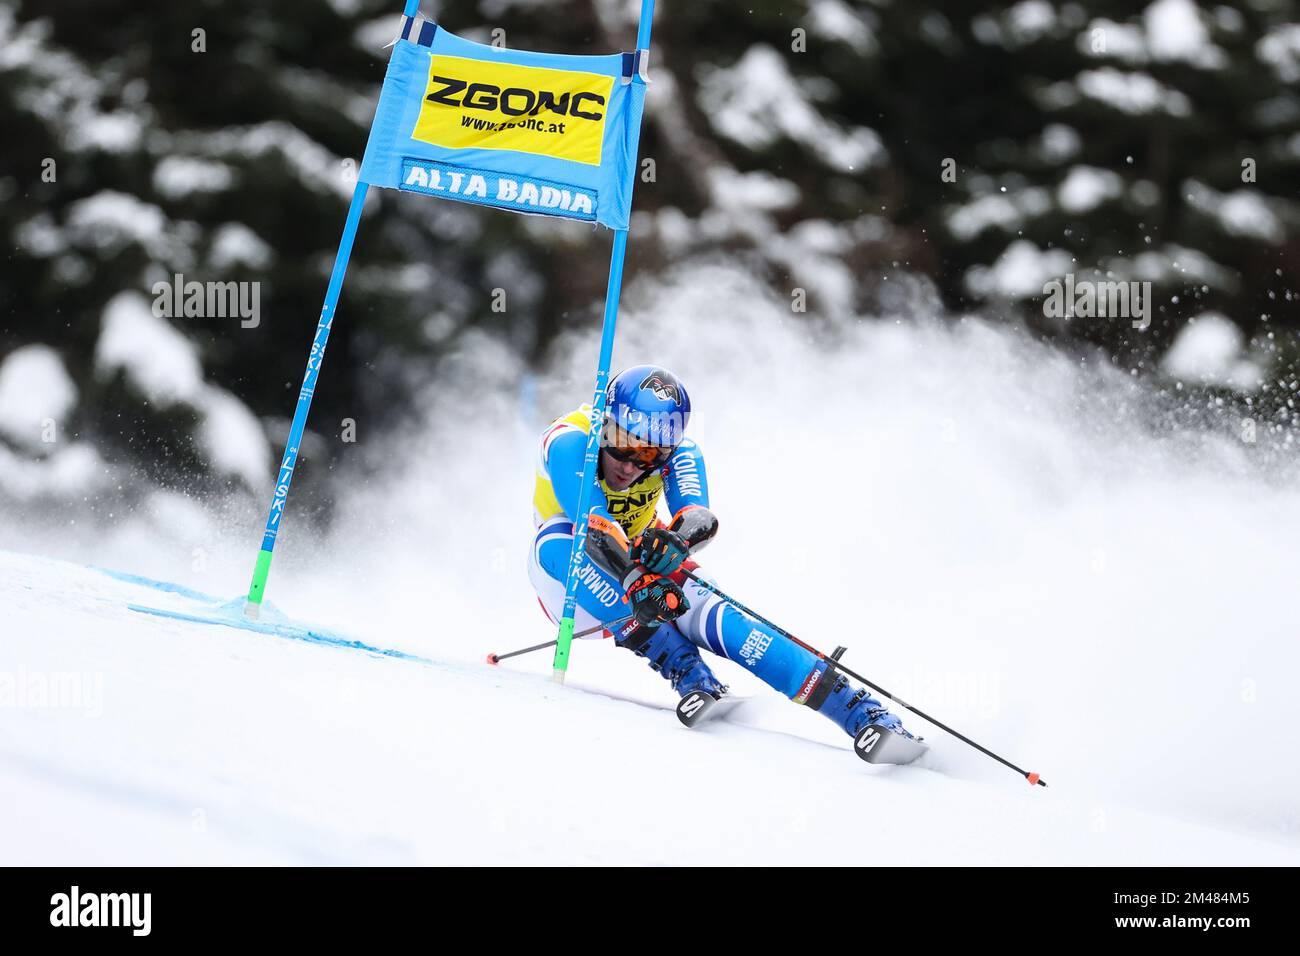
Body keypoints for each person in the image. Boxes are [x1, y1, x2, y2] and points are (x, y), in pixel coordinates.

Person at [529, 364, 914, 744]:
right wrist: (634, 577)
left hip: (636, 566)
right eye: (622, 444)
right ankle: (681, 664)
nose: (631, 465)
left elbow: (699, 517)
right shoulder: (569, 443)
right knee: (558, 539)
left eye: (649, 455)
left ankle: (859, 711)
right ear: (604, 422)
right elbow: (595, 527)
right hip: (570, 589)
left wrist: (675, 543)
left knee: (720, 623)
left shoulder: (679, 454)